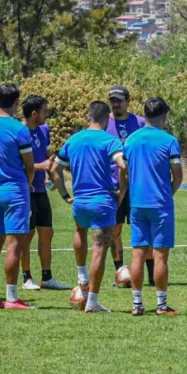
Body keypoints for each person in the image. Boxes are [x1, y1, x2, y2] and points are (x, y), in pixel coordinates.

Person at [50, 101, 128, 313]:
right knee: (100, 250)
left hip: (80, 202)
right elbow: (122, 164)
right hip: (102, 201)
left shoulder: (73, 140)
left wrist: (66, 195)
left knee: (79, 230)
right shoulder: (110, 140)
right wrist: (121, 191)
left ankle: (82, 276)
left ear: (88, 116)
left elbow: (54, 170)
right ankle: (92, 301)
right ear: (106, 119)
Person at [0, 83, 36, 310]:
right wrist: (28, 183)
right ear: (16, 101)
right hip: (15, 190)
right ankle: (12, 297)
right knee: (14, 246)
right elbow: (29, 166)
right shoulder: (19, 129)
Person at [124, 98, 182, 316]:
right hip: (160, 204)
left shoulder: (131, 140)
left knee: (138, 254)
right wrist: (169, 193)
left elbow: (126, 170)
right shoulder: (169, 141)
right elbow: (177, 175)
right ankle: (161, 305)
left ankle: (137, 305)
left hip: (137, 203)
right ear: (164, 116)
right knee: (159, 256)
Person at [21, 95, 68, 291]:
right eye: (44, 111)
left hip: (41, 189)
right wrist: (39, 166)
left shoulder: (44, 130)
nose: (46, 115)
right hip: (25, 190)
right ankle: (26, 278)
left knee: (46, 232)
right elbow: (16, 164)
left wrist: (52, 172)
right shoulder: (19, 132)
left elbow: (48, 156)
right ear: (34, 114)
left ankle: (47, 277)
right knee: (27, 234)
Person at [105, 85, 146, 286]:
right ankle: (120, 272)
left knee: (143, 228)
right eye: (112, 100)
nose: (116, 104)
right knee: (115, 230)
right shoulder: (104, 123)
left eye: (119, 100)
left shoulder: (140, 122)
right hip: (113, 186)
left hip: (138, 186)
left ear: (128, 100)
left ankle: (150, 273)